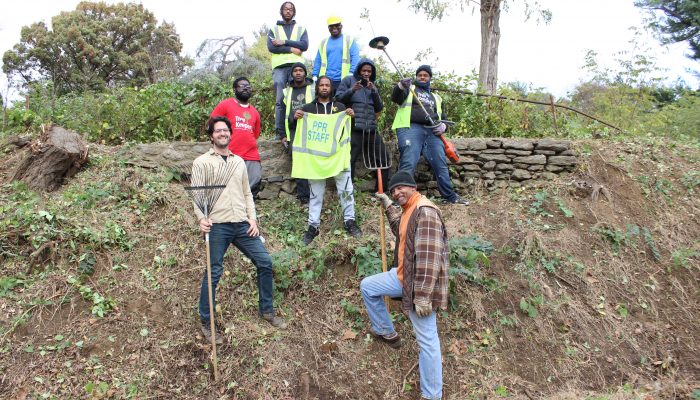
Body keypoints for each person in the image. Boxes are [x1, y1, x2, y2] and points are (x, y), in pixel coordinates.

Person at [193, 116, 286, 344]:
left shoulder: (238, 162)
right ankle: (207, 321)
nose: (222, 134)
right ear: (211, 135)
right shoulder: (202, 162)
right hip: (217, 225)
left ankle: (267, 311)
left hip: (242, 224)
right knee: (213, 272)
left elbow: (247, 194)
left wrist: (252, 219)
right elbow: (197, 196)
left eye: (225, 130)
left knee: (265, 262)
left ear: (230, 133)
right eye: (218, 131)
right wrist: (201, 219)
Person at [360, 170, 449, 400]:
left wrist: (422, 296)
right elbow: (400, 228)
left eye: (400, 188)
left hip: (417, 286)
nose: (397, 192)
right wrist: (388, 204)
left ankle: (432, 395)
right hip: (402, 277)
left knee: (427, 341)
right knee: (368, 286)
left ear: (413, 187)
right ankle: (387, 332)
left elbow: (430, 260)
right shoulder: (410, 210)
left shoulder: (426, 211)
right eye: (393, 190)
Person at [291, 76, 362, 245]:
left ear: (331, 88)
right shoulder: (307, 108)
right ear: (317, 88)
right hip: (316, 161)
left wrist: (351, 117)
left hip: (338, 157)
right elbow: (294, 126)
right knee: (315, 195)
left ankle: (349, 221)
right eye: (321, 85)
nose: (324, 87)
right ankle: (312, 227)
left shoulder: (340, 107)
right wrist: (294, 117)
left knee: (346, 190)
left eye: (327, 85)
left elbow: (348, 129)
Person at [391, 65, 469, 205]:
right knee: (408, 161)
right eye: (419, 74)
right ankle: (401, 199)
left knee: (440, 162)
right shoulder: (410, 89)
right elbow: (396, 98)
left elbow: (443, 117)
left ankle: (449, 196)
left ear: (430, 78)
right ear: (416, 77)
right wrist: (401, 86)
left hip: (432, 131)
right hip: (410, 128)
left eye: (425, 75)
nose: (422, 77)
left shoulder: (437, 98)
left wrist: (443, 126)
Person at [335, 58, 391, 191]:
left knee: (383, 157)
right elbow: (338, 99)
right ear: (359, 70)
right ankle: (347, 191)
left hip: (371, 129)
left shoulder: (372, 85)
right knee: (349, 159)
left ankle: (382, 191)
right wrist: (352, 90)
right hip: (354, 127)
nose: (366, 73)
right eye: (364, 70)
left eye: (369, 71)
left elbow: (379, 108)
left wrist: (375, 92)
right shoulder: (348, 81)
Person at [210, 77, 263, 199]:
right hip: (231, 154)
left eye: (248, 86)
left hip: (251, 156)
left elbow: (255, 133)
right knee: (229, 188)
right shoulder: (225, 105)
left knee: (253, 185)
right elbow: (212, 124)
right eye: (241, 86)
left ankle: (248, 214)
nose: (245, 88)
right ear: (234, 89)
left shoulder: (254, 112)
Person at [268, 2, 308, 147]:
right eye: (286, 8)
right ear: (281, 11)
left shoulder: (301, 28)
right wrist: (292, 48)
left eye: (291, 9)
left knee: (296, 99)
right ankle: (280, 133)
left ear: (294, 12)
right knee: (280, 101)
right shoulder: (273, 28)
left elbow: (304, 46)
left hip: (295, 68)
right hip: (279, 68)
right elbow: (272, 47)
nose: (288, 11)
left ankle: (297, 129)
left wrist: (284, 42)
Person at [278, 62, 314, 204]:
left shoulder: (312, 89)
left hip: (311, 130)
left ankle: (315, 193)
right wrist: (282, 135)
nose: (298, 73)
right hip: (293, 131)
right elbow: (282, 114)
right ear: (292, 74)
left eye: (301, 70)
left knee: (312, 160)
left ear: (305, 73)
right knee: (299, 162)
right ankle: (304, 196)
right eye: (295, 71)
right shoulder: (287, 92)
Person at [312, 15, 360, 92]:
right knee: (326, 103)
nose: (334, 28)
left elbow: (355, 58)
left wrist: (351, 73)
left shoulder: (349, 40)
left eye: (337, 25)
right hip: (326, 81)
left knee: (342, 103)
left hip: (344, 80)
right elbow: (318, 59)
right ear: (328, 28)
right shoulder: (323, 42)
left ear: (341, 26)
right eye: (331, 26)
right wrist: (314, 74)